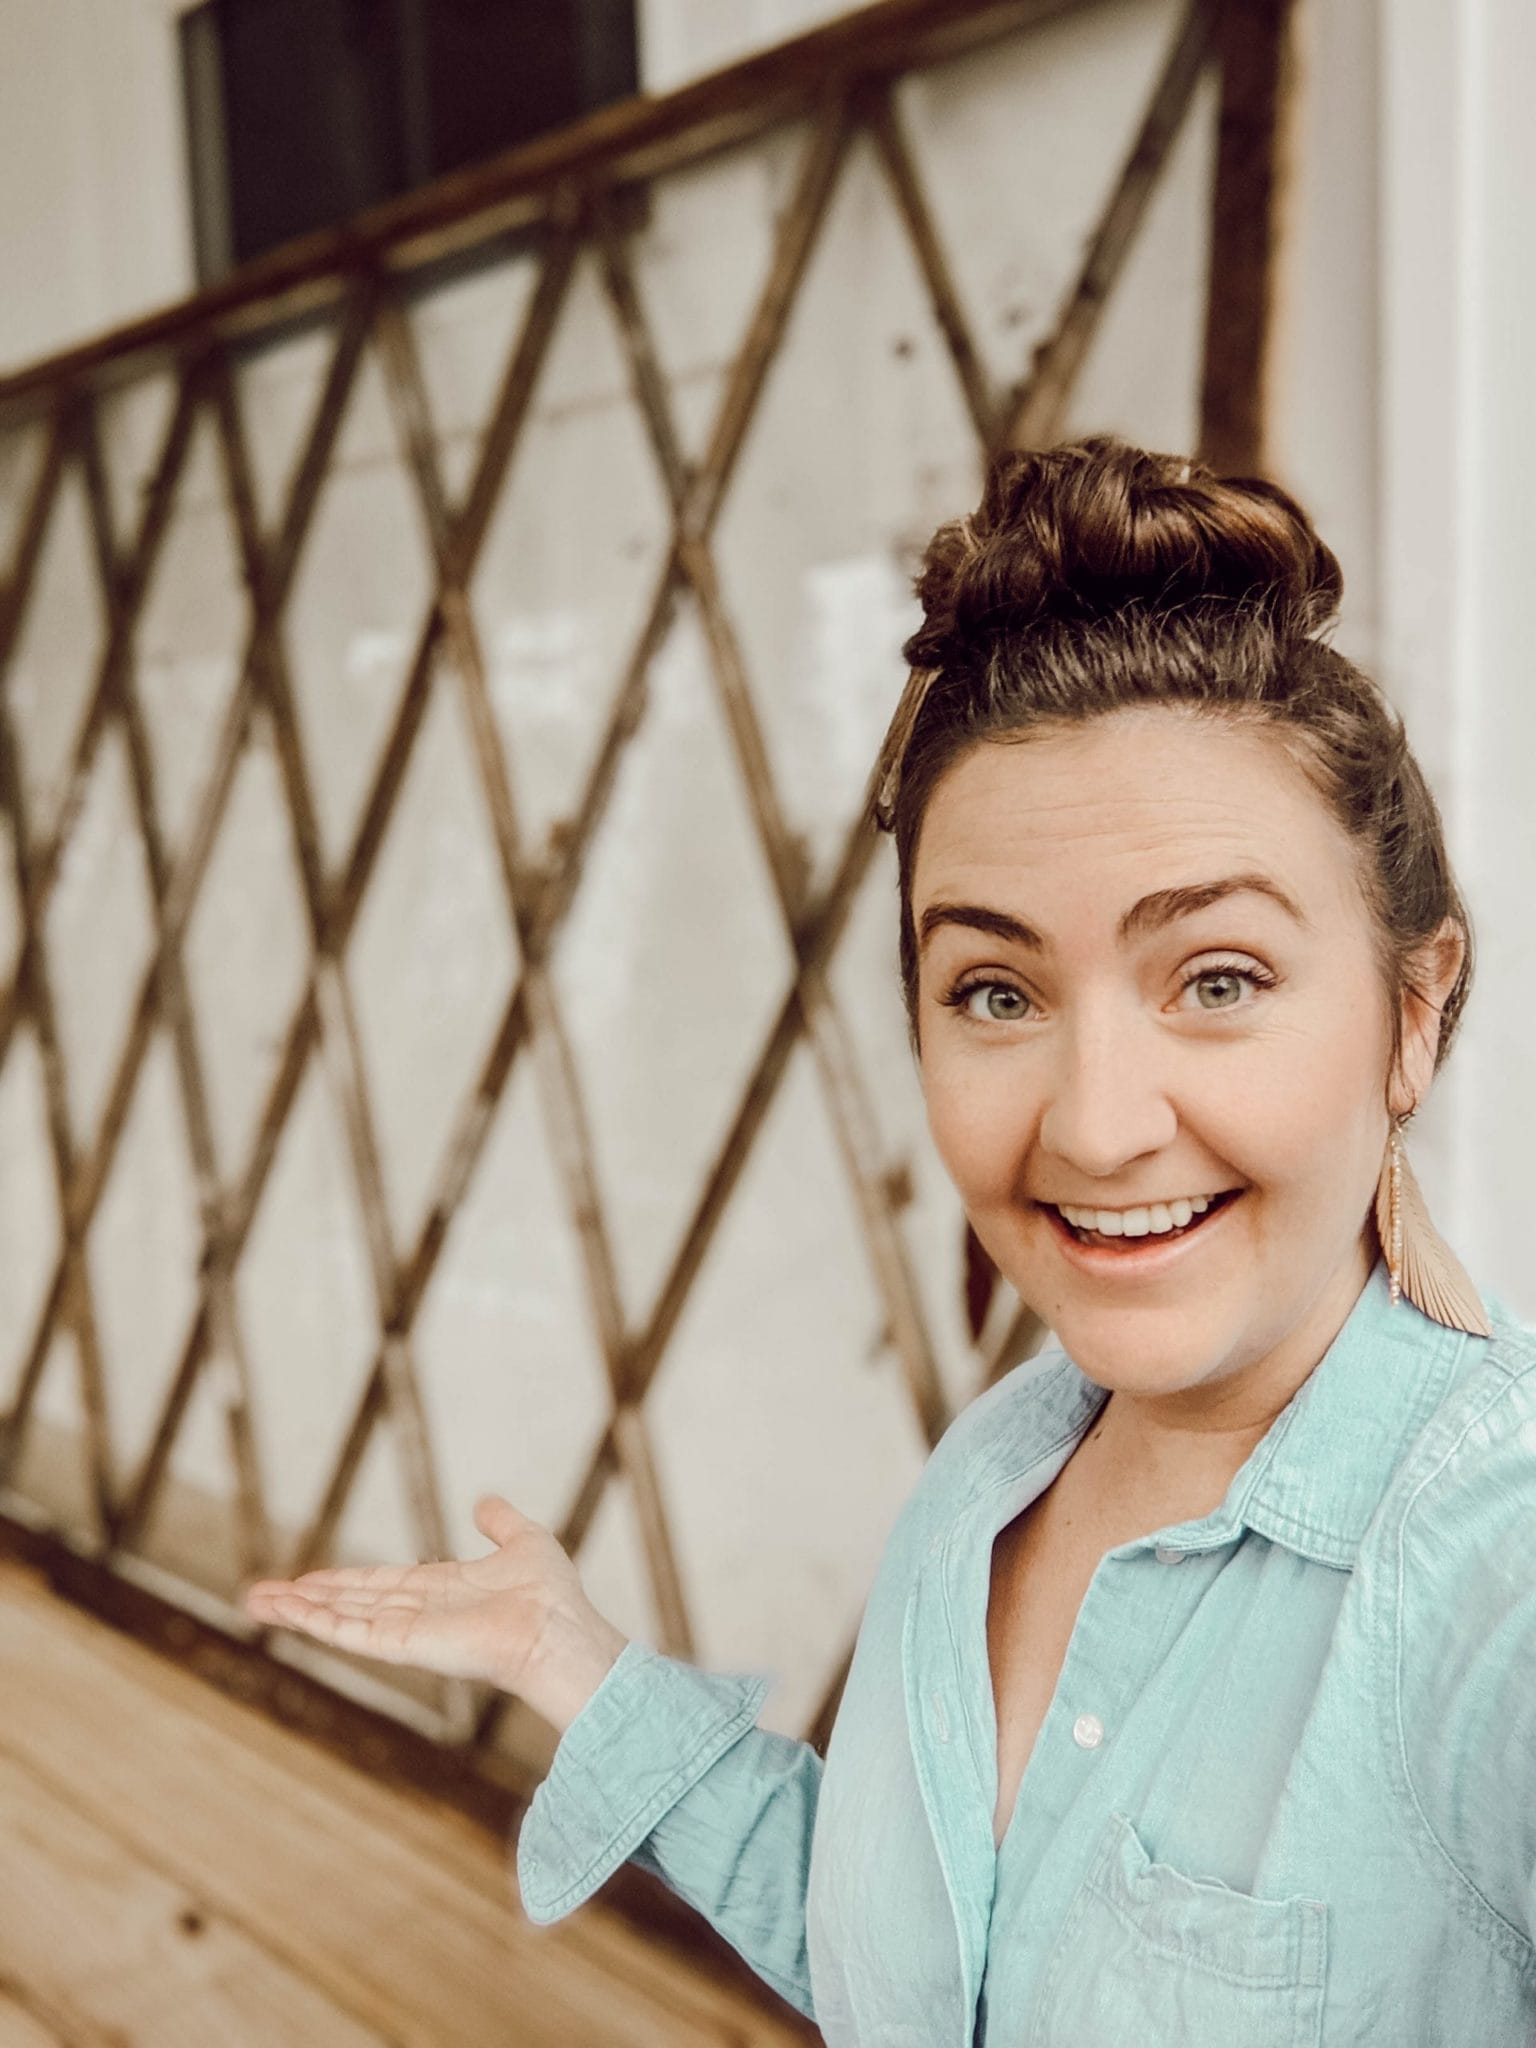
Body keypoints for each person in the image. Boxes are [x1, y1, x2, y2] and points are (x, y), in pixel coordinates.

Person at [245, 437, 1536, 2046]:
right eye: (996, 993)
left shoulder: (1497, 1567)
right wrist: (576, 1662)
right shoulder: (995, 1474)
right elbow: (921, 1975)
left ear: (1414, 1015)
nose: (1096, 1122)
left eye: (1217, 978)